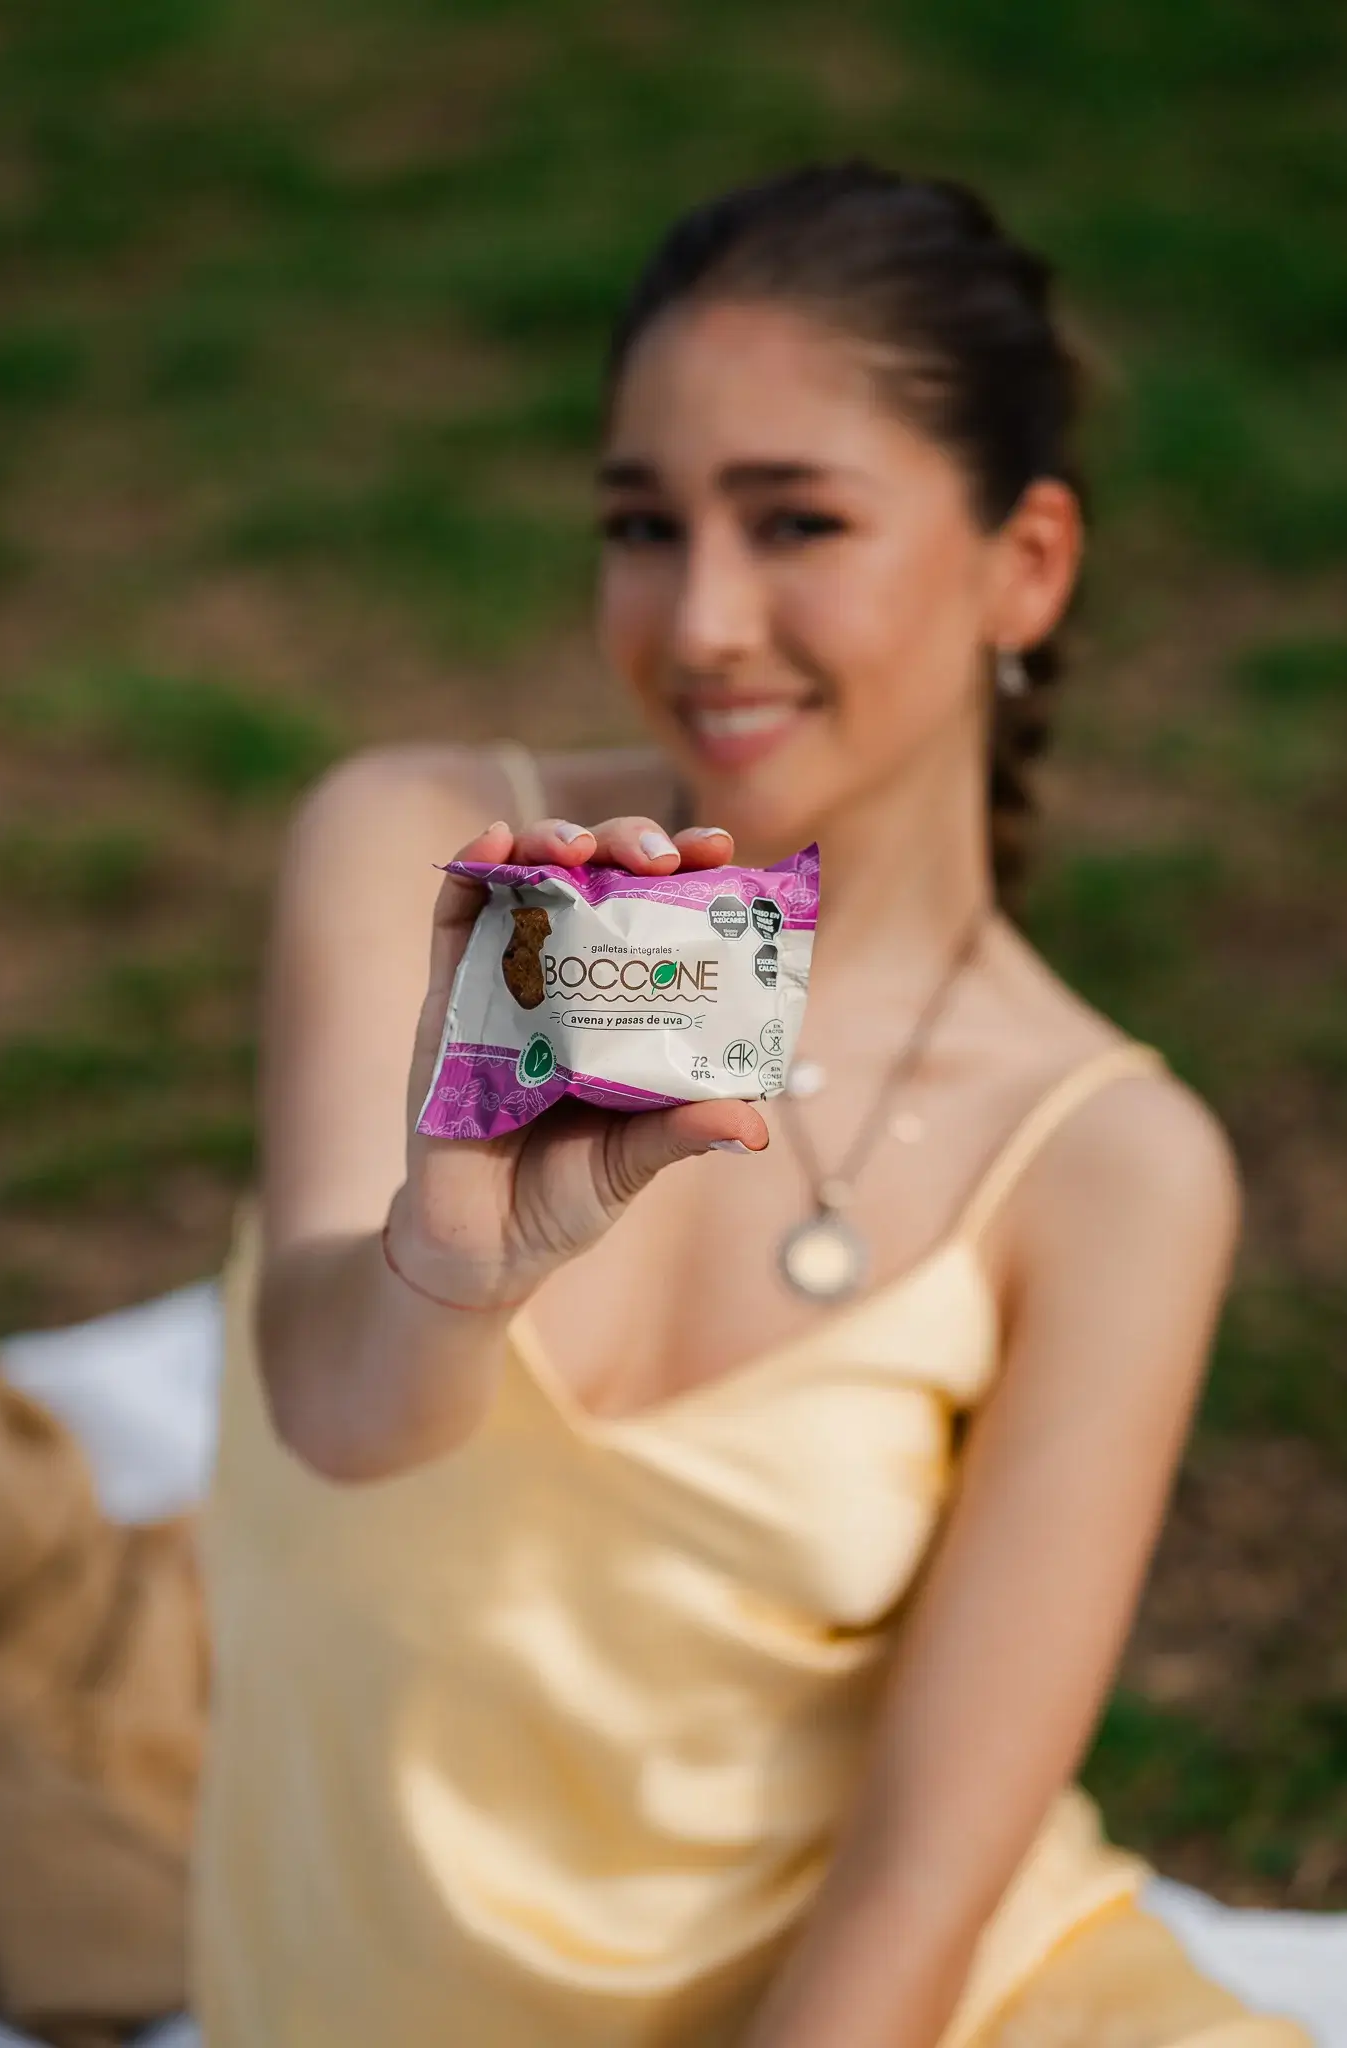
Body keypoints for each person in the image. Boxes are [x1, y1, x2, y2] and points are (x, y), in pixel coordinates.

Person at [192, 161, 1313, 2046]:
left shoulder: (1112, 1164)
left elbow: (924, 1880)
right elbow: (343, 1421)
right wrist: (452, 1270)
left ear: (1027, 562)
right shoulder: (428, 855)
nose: (704, 618)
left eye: (798, 521)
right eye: (645, 523)